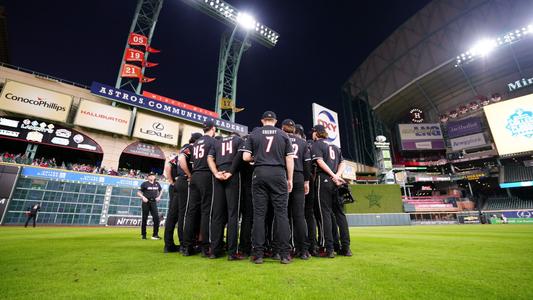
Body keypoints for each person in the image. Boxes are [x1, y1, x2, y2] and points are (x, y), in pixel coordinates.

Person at [242, 111, 294, 264]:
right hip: (278, 173)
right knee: (281, 214)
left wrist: (256, 157)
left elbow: (245, 157)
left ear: (262, 120)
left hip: (259, 172)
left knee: (259, 215)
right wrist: (289, 179)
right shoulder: (283, 135)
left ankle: (258, 254)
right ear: (275, 121)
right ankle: (284, 254)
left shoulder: (254, 134)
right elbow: (289, 158)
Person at [311, 124, 351, 257]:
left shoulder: (317, 144)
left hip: (325, 180)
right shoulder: (334, 146)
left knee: (325, 214)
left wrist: (333, 176)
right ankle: (346, 248)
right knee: (340, 214)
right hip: (337, 182)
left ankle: (330, 249)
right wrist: (338, 176)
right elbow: (343, 163)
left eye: (313, 132)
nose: (312, 134)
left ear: (317, 133)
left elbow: (320, 162)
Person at [180, 120, 217, 257]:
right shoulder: (213, 142)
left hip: (195, 176)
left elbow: (186, 160)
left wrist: (189, 175)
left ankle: (187, 247)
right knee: (207, 211)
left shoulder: (195, 143)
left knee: (191, 212)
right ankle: (205, 247)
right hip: (207, 175)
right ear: (213, 129)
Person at [207, 133, 245, 260]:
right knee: (233, 214)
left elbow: (209, 158)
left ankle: (214, 251)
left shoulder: (217, 142)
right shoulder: (238, 140)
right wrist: (231, 171)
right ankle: (231, 252)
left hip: (218, 174)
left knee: (217, 214)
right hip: (232, 175)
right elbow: (240, 156)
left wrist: (216, 172)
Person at [163, 133, 202, 253]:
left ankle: (168, 245)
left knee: (172, 214)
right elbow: (180, 159)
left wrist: (171, 181)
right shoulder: (191, 148)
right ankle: (183, 244)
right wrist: (189, 175)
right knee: (184, 214)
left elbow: (169, 164)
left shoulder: (183, 149)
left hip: (177, 182)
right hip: (185, 181)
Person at [281, 119, 312, 260]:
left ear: (282, 128)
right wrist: (306, 181)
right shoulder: (303, 143)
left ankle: (286, 249)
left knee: (283, 215)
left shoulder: (280, 138)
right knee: (299, 215)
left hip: (284, 176)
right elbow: (307, 165)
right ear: (294, 130)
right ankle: (303, 250)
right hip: (299, 176)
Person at [137, 172, 162, 240]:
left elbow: (161, 190)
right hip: (146, 202)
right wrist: (143, 197)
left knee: (156, 218)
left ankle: (155, 235)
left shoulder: (157, 183)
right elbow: (138, 192)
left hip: (153, 202)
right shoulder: (145, 183)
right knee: (144, 218)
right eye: (150, 175)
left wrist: (159, 196)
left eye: (153, 175)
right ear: (148, 177)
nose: (152, 176)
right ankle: (143, 235)